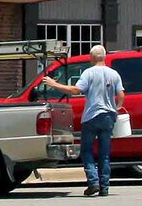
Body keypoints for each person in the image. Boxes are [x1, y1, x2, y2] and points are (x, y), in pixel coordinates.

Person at [42, 46, 124, 196]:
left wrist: (54, 84)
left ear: (92, 58)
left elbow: (75, 90)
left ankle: (93, 182)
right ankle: (104, 186)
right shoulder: (114, 74)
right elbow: (121, 95)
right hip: (108, 117)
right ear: (104, 57)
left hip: (91, 116)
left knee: (87, 151)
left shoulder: (89, 73)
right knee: (104, 153)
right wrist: (116, 108)